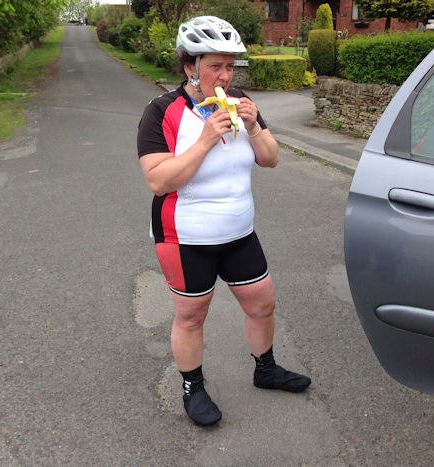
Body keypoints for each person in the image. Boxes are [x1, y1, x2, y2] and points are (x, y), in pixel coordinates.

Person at [137, 16, 311, 426]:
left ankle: (265, 369)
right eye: (215, 66)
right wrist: (204, 141)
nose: (225, 76)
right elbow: (158, 180)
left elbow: (270, 159)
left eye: (230, 66)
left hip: (239, 233)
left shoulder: (240, 102)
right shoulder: (162, 111)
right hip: (185, 238)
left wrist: (252, 125)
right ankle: (193, 389)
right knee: (191, 316)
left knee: (262, 304)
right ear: (190, 67)